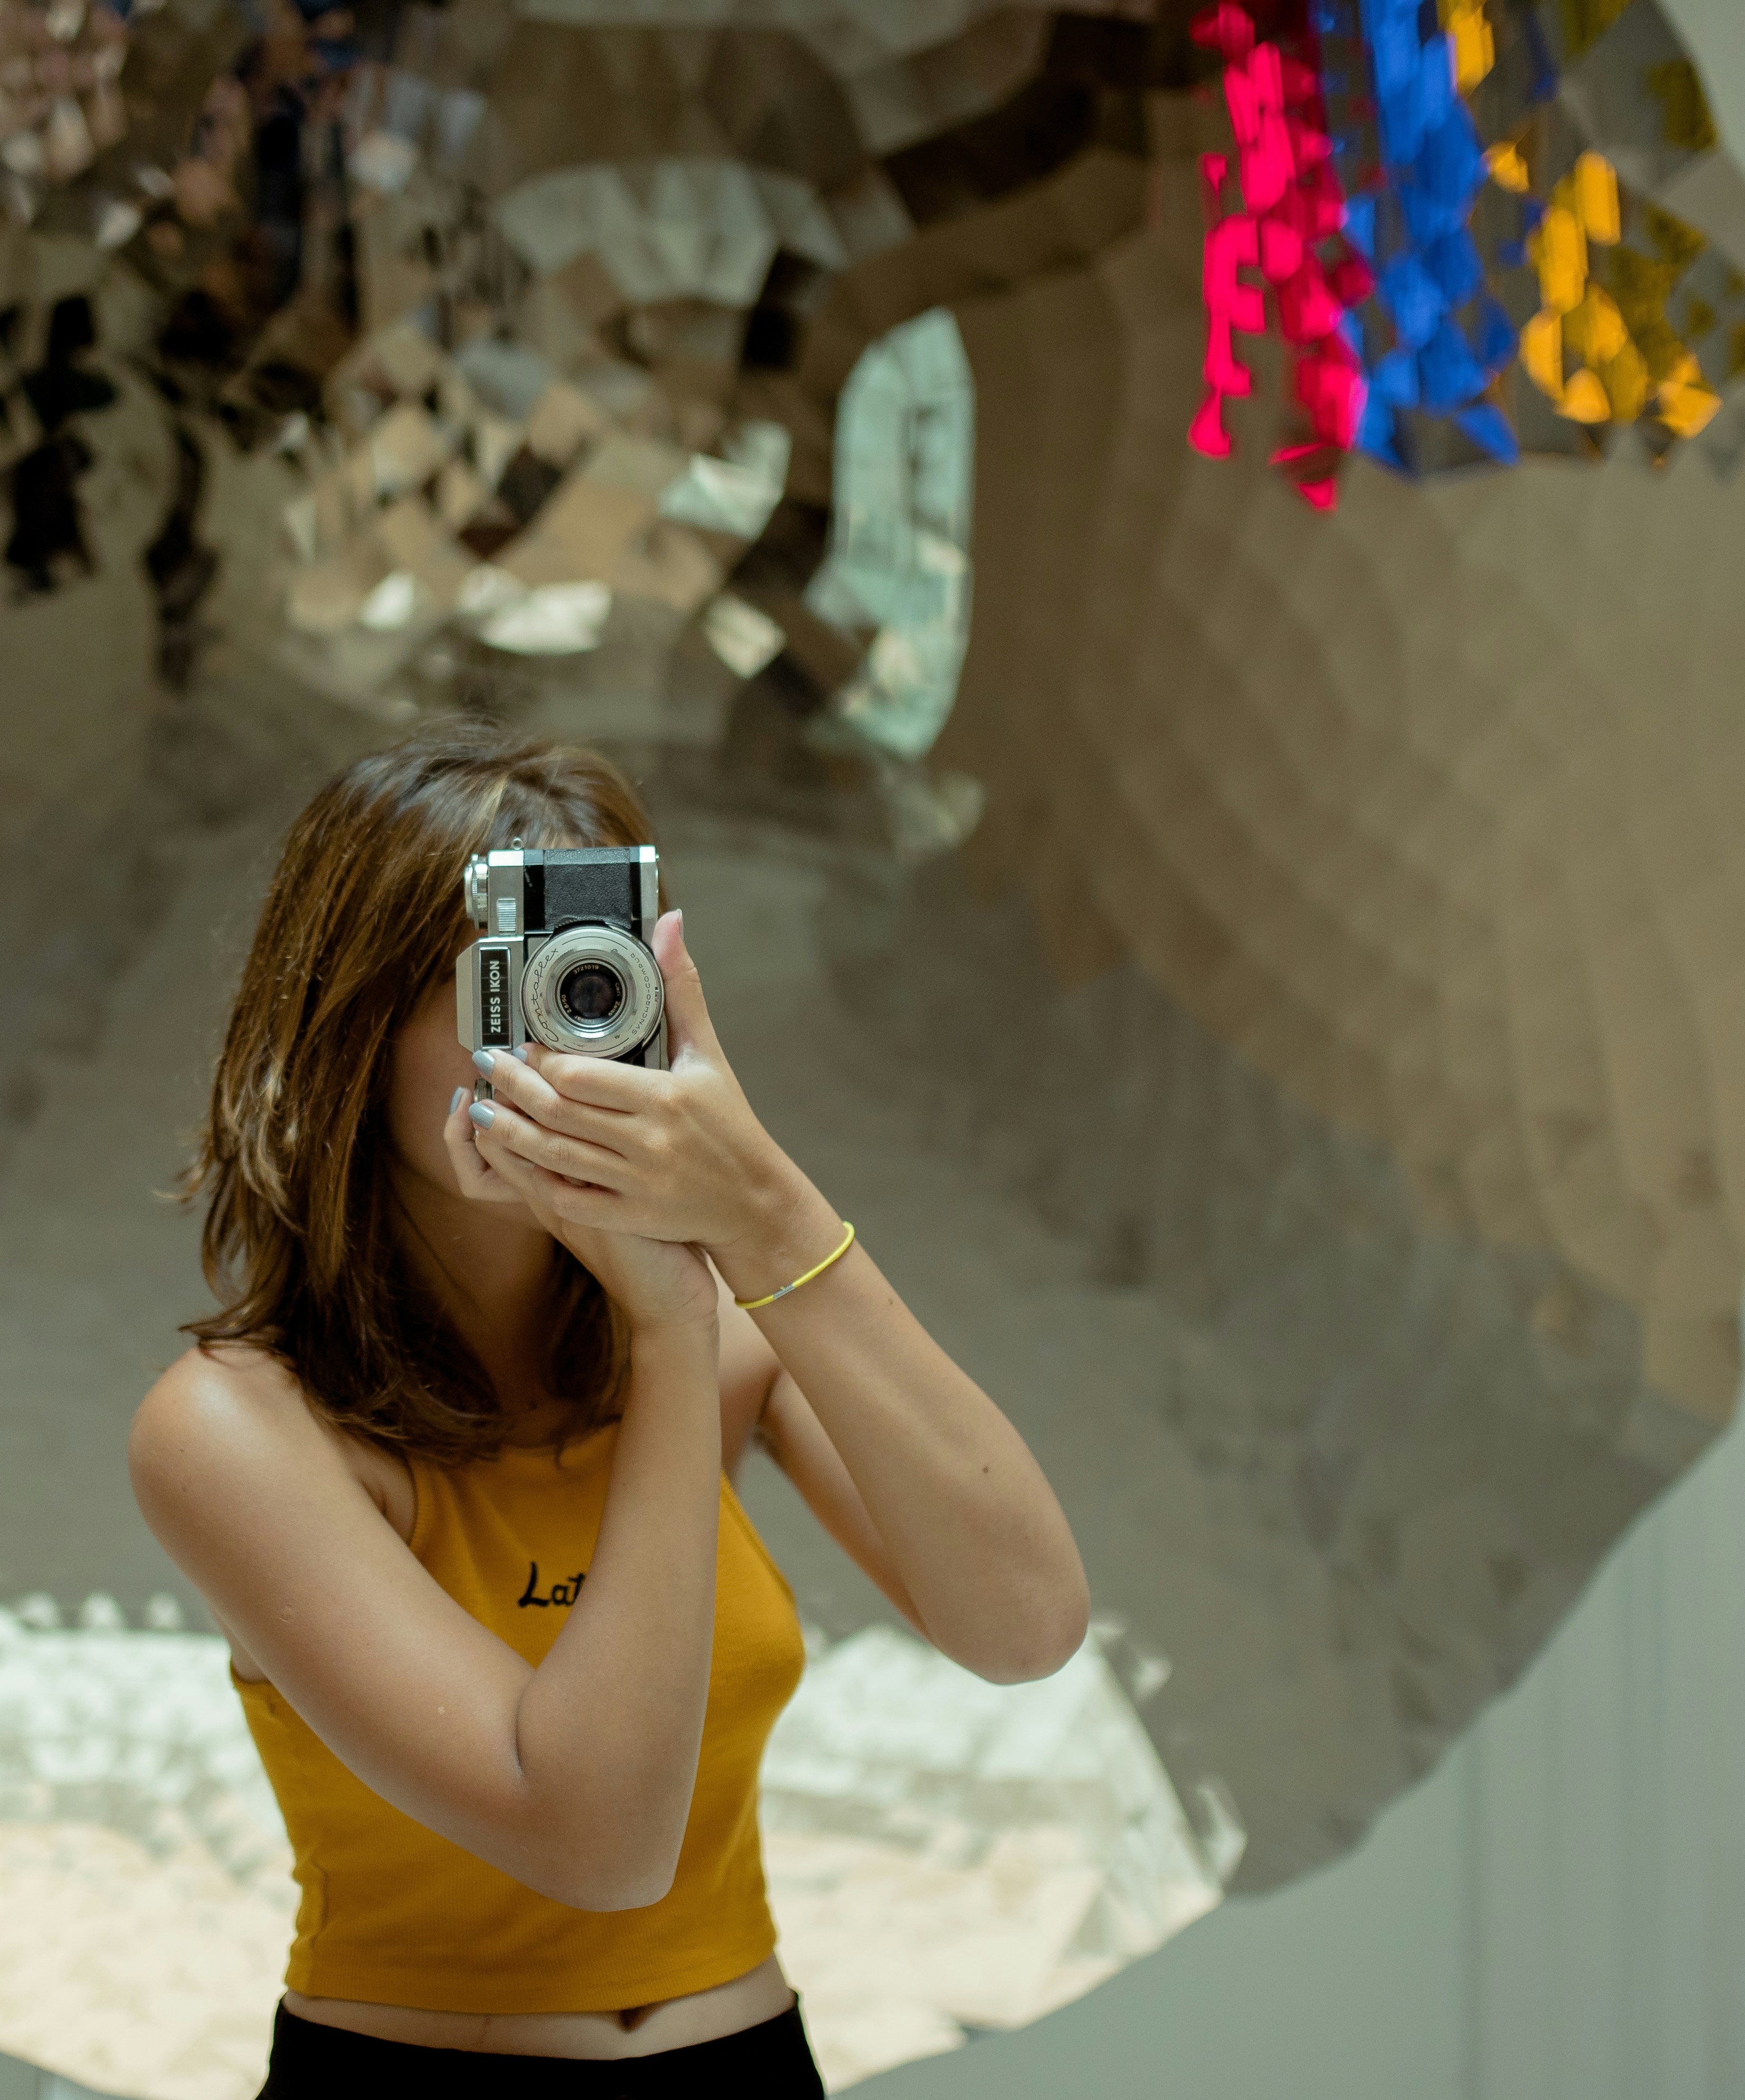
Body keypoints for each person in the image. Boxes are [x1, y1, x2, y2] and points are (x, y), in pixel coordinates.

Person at [131, 717, 1089, 2095]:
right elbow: (597, 1847)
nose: (546, 1043)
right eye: (491, 993)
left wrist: (764, 1208)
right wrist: (670, 1334)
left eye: (590, 987)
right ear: (350, 1027)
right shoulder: (237, 1431)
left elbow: (1025, 1626)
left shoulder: (722, 1339)